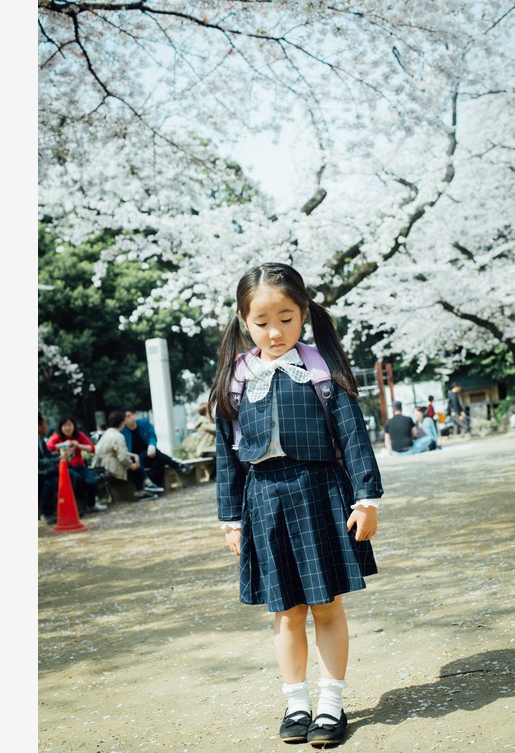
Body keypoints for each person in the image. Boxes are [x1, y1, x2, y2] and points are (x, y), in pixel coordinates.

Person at [211, 262, 381, 747]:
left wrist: (366, 498)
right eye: (261, 321)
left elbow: (353, 438)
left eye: (285, 318)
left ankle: (331, 704)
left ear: (303, 313)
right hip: (263, 499)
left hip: (321, 492)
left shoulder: (323, 372)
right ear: (244, 321)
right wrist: (229, 519)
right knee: (286, 611)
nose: (274, 331)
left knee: (326, 605)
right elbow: (227, 455)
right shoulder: (235, 380)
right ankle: (296, 702)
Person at [91, 410, 164, 500]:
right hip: (109, 465)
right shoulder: (118, 436)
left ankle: (146, 485)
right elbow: (123, 457)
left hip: (101, 464)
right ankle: (142, 490)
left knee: (135, 459)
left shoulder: (109, 432)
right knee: (133, 465)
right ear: (122, 423)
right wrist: (132, 465)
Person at [47, 416, 105, 514]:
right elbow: (48, 448)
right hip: (65, 467)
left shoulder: (79, 435)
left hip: (79, 465)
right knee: (76, 479)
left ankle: (91, 505)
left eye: (69, 425)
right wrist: (62, 444)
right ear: (60, 427)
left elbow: (92, 448)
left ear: (74, 426)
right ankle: (80, 503)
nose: (67, 428)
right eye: (64, 425)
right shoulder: (57, 437)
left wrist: (78, 445)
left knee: (92, 482)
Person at [121, 409, 193, 489]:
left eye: (132, 414)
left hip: (150, 455)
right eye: (128, 416)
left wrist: (152, 445)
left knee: (158, 463)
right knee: (155, 453)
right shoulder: (123, 432)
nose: (132, 417)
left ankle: (158, 487)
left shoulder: (144, 423)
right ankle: (178, 465)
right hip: (137, 459)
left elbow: (152, 435)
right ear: (124, 420)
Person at [38, 413, 61, 524]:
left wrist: (62, 454)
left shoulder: (40, 440)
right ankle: (47, 513)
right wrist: (59, 459)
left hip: (42, 471)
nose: (46, 426)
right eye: (45, 423)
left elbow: (48, 455)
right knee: (49, 480)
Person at [192, 401, 217, 480]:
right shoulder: (203, 422)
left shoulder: (208, 420)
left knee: (222, 453)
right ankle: (213, 475)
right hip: (204, 449)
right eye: (210, 409)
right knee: (221, 454)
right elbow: (215, 428)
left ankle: (214, 475)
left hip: (210, 448)